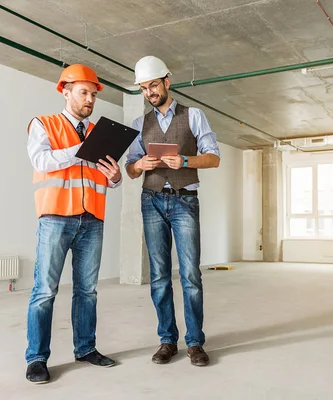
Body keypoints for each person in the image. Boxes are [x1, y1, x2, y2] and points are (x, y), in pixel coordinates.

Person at [25, 64, 122, 384]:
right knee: (45, 291)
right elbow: (42, 161)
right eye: (84, 93)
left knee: (87, 291)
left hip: (91, 219)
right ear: (65, 92)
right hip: (55, 218)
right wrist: (80, 151)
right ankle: (37, 358)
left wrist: (116, 178)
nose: (90, 99)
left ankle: (86, 348)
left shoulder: (101, 134)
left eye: (93, 94)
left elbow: (102, 176)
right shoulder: (44, 124)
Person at [125, 56, 220, 367]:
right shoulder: (140, 125)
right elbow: (130, 169)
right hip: (151, 201)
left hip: (185, 201)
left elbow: (214, 157)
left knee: (191, 275)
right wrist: (140, 164)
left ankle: (194, 342)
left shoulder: (193, 116)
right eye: (143, 88)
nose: (150, 92)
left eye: (153, 85)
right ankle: (168, 340)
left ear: (167, 81)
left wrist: (186, 162)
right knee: (159, 276)